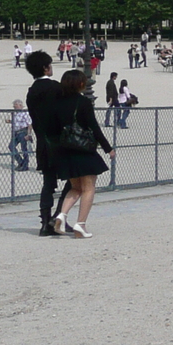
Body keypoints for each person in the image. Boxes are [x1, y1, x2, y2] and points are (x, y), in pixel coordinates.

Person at [47, 69, 114, 238]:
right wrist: (108, 148)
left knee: (75, 187)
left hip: (65, 150)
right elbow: (94, 127)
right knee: (88, 188)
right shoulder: (83, 102)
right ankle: (80, 224)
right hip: (83, 149)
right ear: (81, 84)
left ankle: (61, 215)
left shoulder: (56, 102)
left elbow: (52, 129)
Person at [24, 51, 69, 237]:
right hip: (59, 140)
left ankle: (45, 222)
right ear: (45, 67)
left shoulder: (32, 91)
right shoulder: (55, 87)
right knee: (76, 180)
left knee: (48, 185)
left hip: (43, 141)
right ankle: (57, 216)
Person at [9, 100, 33, 171]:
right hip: (16, 133)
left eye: (15, 105)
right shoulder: (15, 113)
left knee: (24, 149)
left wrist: (28, 134)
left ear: (20, 105)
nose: (14, 106)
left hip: (23, 132)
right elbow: (17, 122)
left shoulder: (25, 113)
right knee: (11, 146)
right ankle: (21, 162)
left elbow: (29, 124)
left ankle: (25, 165)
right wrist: (10, 121)